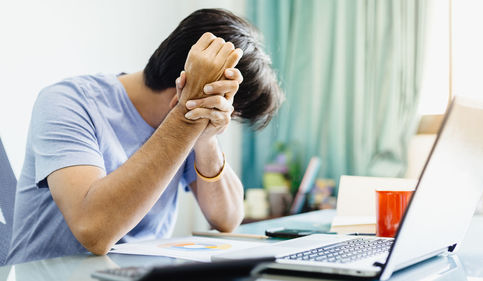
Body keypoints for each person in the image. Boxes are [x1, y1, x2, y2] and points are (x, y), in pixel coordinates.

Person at [7, 8, 283, 264]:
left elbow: (228, 219)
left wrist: (206, 138)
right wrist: (188, 113)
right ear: (186, 84)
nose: (224, 117)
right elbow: (94, 231)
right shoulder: (67, 102)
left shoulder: (189, 123)